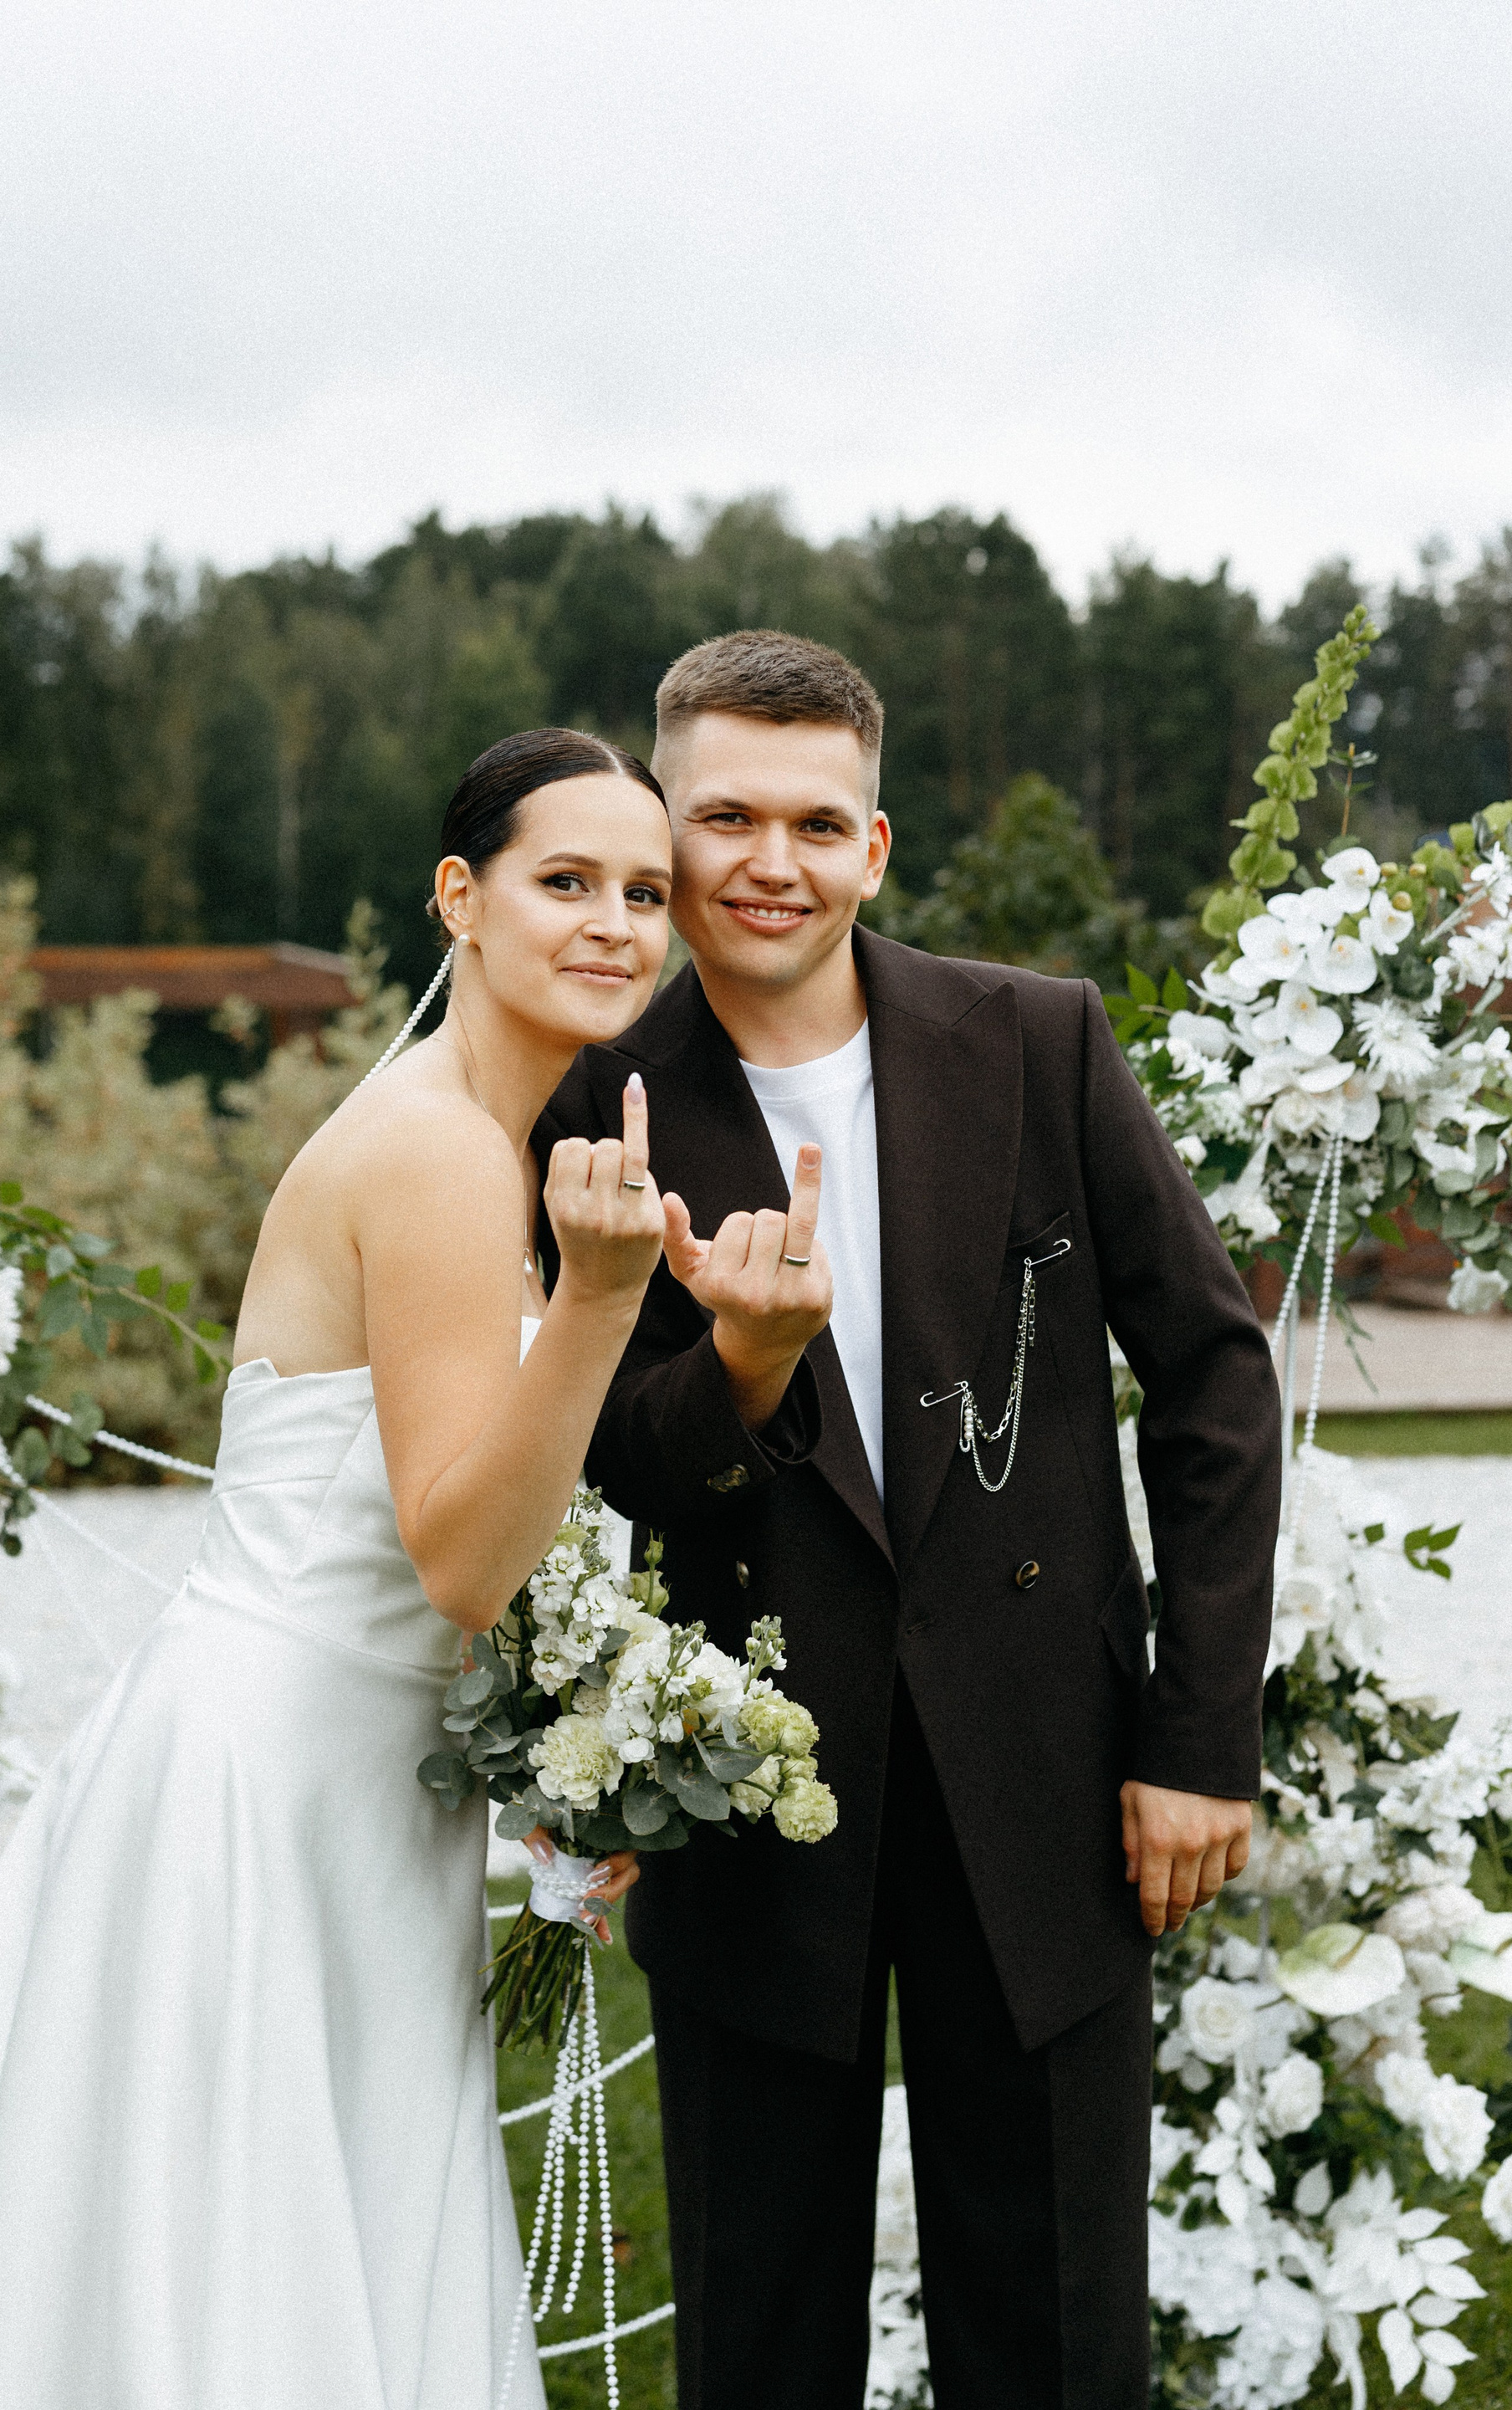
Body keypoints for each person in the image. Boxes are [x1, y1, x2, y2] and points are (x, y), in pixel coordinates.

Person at [0, 727, 807, 2410]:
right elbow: (459, 1556)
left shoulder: (485, 1143)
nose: (616, 922)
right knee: (248, 2262)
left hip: (350, 1778)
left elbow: (467, 1539)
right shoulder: (439, 1154)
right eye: (566, 880)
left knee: (278, 2237)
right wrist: (602, 1300)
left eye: (644, 893)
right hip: (276, 1788)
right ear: (460, 896)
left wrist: (566, 1748)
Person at [539, 632, 1282, 2410]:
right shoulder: (593, 1095)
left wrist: (1200, 1737)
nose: (770, 862)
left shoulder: (1038, 1039)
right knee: (759, 2336)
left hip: (1047, 1775)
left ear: (874, 846)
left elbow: (1211, 1377)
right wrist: (742, 1365)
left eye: (817, 823)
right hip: (749, 1792)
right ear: (663, 827)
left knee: (1058, 2334)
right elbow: (612, 1453)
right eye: (726, 816)